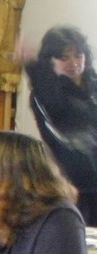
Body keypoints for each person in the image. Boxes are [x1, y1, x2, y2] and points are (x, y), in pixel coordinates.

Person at [22, 26, 97, 226]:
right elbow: (65, 119)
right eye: (64, 58)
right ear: (50, 60)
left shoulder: (93, 83)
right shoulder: (44, 95)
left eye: (78, 56)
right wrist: (35, 69)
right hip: (72, 183)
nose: (74, 63)